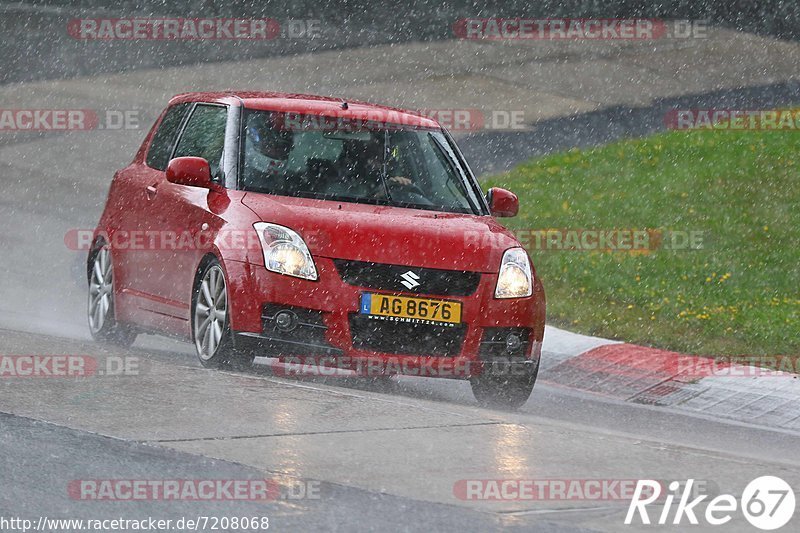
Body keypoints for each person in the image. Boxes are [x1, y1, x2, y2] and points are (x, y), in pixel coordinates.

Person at [242, 113, 295, 190]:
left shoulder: (293, 181)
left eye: (283, 146)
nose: (277, 151)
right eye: (271, 145)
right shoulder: (243, 177)